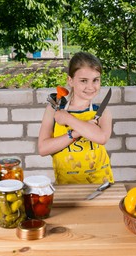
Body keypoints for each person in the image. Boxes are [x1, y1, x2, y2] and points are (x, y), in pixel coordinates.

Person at [38, 52, 114, 185]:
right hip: (66, 185)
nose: (91, 87)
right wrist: (75, 133)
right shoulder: (54, 110)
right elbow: (43, 148)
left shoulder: (102, 112)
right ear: (70, 80)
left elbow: (101, 138)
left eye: (95, 80)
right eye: (84, 81)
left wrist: (68, 119)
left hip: (100, 184)